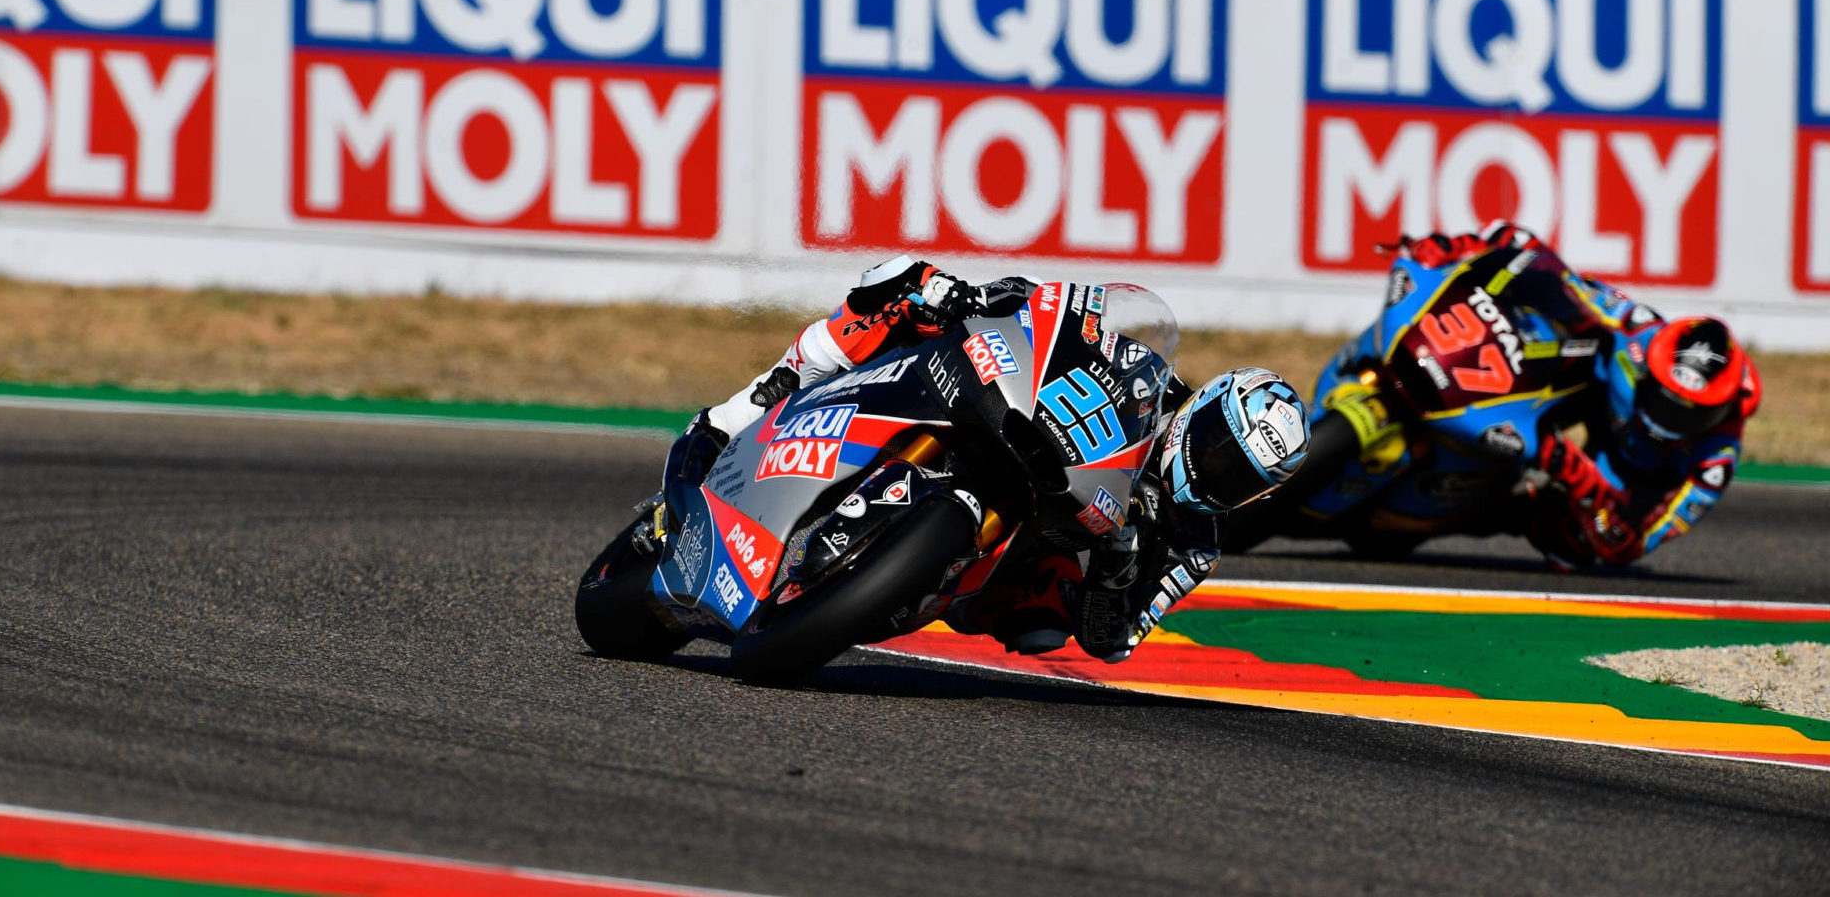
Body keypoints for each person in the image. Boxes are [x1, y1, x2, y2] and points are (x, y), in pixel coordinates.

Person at [664, 256, 1310, 662]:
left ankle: (897, 586)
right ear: (1204, 411)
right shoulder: (1147, 375)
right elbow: (1066, 315)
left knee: (1044, 629)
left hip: (1036, 531)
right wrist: (990, 297)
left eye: (1238, 482)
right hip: (1012, 425)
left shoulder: (1193, 541)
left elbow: (1112, 641)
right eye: (1222, 455)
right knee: (903, 289)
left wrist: (1115, 571)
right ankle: (738, 414)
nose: (1216, 477)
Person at [1377, 221, 1760, 570]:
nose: (1670, 419)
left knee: (1574, 547)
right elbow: (1546, 267)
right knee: (1555, 331)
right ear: (1651, 370)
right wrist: (1455, 244)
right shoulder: (1637, 330)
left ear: (1722, 409)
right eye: (1665, 399)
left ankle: (1451, 512)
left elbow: (1632, 543)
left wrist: (1583, 485)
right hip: (1581, 399)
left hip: (1617, 481)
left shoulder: (1714, 463)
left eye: (1691, 414)